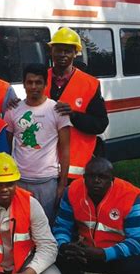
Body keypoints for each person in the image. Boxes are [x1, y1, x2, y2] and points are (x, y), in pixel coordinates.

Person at [53, 157, 140, 274]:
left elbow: (137, 241)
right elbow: (62, 225)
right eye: (91, 176)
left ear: (112, 179)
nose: (96, 181)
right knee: (56, 255)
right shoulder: (73, 191)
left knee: (137, 270)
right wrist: (64, 244)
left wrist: (104, 254)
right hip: (84, 251)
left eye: (102, 177)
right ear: (84, 177)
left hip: (117, 254)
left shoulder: (130, 197)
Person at [4, 64, 70, 224]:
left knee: (46, 226)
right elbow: (5, 147)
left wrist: (62, 183)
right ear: (24, 84)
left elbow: (65, 149)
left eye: (38, 82)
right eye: (30, 82)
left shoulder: (57, 110)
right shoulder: (13, 110)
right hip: (19, 180)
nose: (34, 87)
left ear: (46, 84)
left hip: (47, 182)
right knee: (20, 225)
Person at [46, 27, 109, 179]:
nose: (62, 54)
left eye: (67, 51)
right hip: (44, 166)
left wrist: (73, 115)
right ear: (51, 51)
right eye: (58, 50)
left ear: (76, 53)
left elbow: (100, 124)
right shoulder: (39, 79)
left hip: (75, 169)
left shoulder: (90, 84)